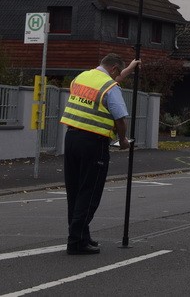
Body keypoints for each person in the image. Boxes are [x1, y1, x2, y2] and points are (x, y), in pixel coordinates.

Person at [60, 53, 139, 255]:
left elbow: (109, 82)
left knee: (75, 191)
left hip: (71, 139)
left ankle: (81, 236)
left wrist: (129, 68)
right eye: (118, 73)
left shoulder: (82, 77)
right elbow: (120, 119)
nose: (118, 77)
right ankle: (76, 241)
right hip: (94, 143)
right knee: (90, 192)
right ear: (113, 69)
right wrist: (122, 140)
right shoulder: (111, 88)